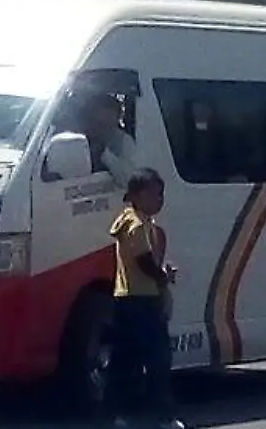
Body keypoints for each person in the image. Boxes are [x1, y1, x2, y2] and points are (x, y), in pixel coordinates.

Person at [107, 168, 184, 429]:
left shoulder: (133, 221)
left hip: (125, 299)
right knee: (158, 360)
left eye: (161, 194)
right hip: (142, 300)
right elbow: (144, 263)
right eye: (155, 194)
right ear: (136, 195)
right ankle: (164, 416)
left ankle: (121, 414)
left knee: (125, 360)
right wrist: (163, 276)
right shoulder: (137, 225)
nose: (160, 199)